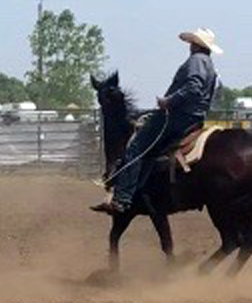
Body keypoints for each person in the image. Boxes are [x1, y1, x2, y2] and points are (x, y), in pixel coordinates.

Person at [91, 28, 222, 215]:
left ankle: (122, 198)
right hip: (193, 116)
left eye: (191, 43)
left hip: (180, 116)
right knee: (149, 147)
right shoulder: (208, 63)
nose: (190, 46)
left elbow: (194, 87)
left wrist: (169, 101)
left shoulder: (196, 61)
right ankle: (138, 189)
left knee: (136, 147)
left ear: (195, 45)